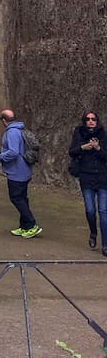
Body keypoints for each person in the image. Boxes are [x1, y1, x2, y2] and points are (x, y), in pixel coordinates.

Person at [0, 109, 41, 237]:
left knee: (16, 198)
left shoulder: (12, 132)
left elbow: (13, 152)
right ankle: (25, 226)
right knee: (22, 198)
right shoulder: (20, 129)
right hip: (24, 170)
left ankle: (32, 224)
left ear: (4, 121)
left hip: (17, 171)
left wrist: (0, 157)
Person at [69, 108, 107, 254]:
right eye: (88, 119)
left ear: (97, 121)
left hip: (102, 177)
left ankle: (105, 244)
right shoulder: (79, 133)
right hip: (86, 176)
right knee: (90, 210)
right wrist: (82, 147)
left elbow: (106, 156)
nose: (91, 121)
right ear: (84, 121)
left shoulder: (103, 134)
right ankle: (93, 232)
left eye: (93, 119)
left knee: (103, 211)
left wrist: (98, 148)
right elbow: (71, 152)